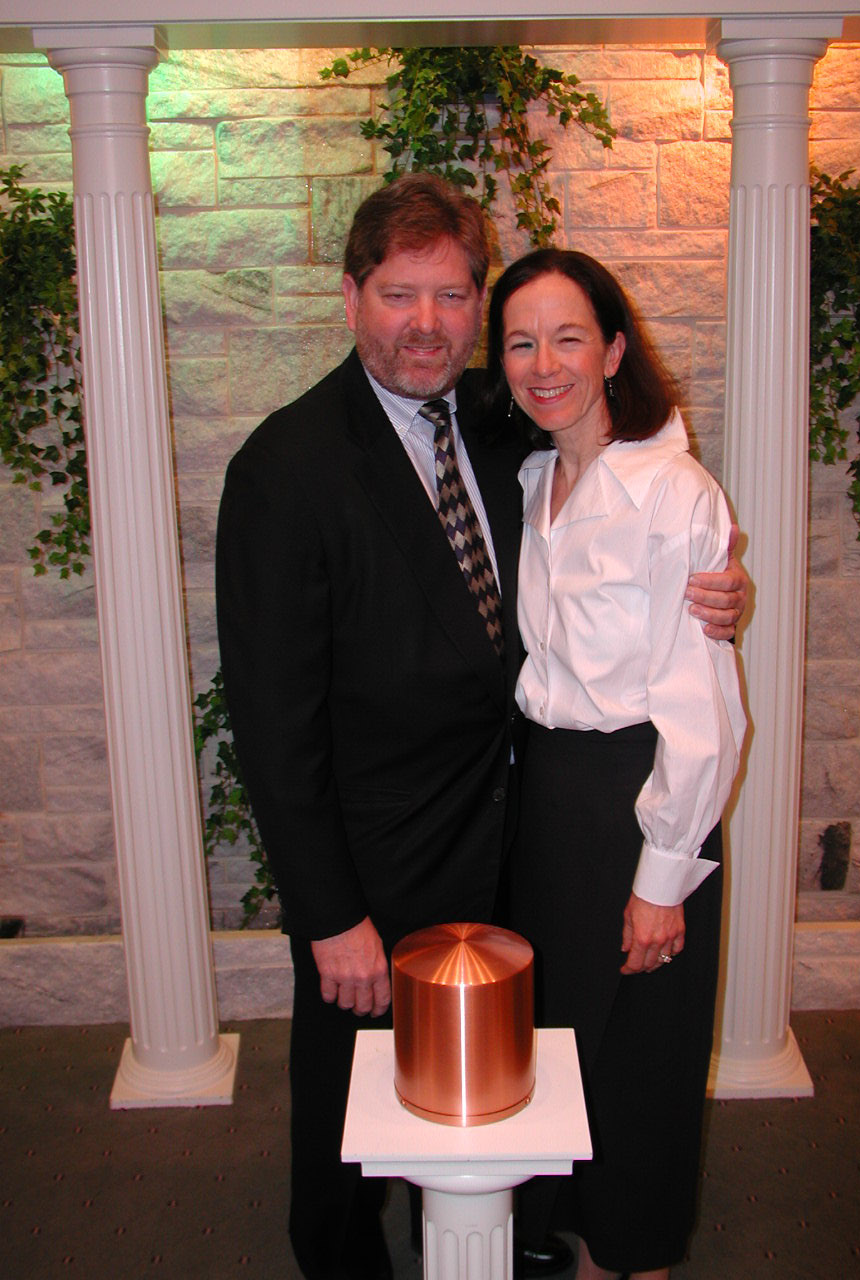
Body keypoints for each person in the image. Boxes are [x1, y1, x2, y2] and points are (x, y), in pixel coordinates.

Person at [216, 176, 746, 1280]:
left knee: (510, 1069)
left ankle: (499, 1234)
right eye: (398, 294)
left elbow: (627, 482)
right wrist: (330, 914)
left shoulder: (512, 427)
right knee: (352, 1089)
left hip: (523, 830)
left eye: (453, 296)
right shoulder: (286, 467)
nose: (427, 323)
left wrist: (712, 574)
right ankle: (339, 1258)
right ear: (350, 297)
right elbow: (273, 725)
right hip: (380, 861)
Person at [485, 248, 748, 1280]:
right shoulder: (530, 480)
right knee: (564, 1037)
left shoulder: (674, 491)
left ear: (614, 350)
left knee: (642, 1057)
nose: (543, 363)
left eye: (568, 338)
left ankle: (636, 1256)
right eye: (520, 342)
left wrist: (661, 879)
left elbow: (705, 709)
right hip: (550, 798)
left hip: (640, 796)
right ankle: (582, 1238)